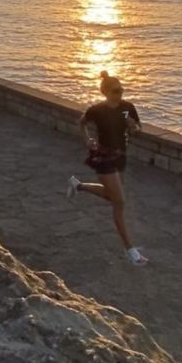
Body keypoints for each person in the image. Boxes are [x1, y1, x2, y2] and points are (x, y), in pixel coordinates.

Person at [66, 70, 148, 266]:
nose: (119, 94)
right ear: (105, 92)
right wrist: (87, 139)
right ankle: (130, 250)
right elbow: (82, 123)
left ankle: (78, 186)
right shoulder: (97, 109)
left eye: (121, 90)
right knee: (119, 203)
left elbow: (139, 128)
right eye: (115, 91)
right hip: (103, 157)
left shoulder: (128, 107)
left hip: (121, 157)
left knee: (112, 196)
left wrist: (133, 127)